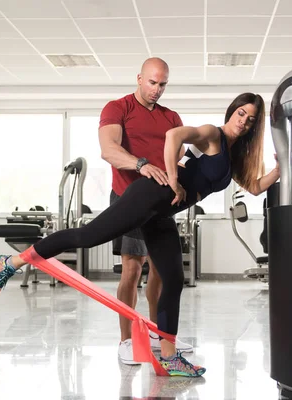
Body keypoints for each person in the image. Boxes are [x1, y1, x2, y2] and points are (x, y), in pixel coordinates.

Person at [0, 91, 282, 377]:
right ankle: (11, 263)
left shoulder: (233, 157)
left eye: (251, 119)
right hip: (149, 195)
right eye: (241, 113)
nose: (243, 120)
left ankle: (168, 357)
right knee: (85, 237)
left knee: (173, 278)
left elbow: (254, 187)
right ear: (232, 111)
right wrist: (175, 181)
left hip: (162, 213)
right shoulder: (212, 133)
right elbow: (173, 136)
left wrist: (282, 166)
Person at [98, 57, 193, 366]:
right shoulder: (118, 108)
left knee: (162, 271)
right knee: (132, 268)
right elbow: (109, 150)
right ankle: (126, 340)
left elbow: (179, 155)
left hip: (160, 203)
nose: (157, 90)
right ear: (139, 78)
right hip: (128, 198)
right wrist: (141, 164)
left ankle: (156, 332)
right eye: (152, 83)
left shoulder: (172, 117)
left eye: (163, 84)